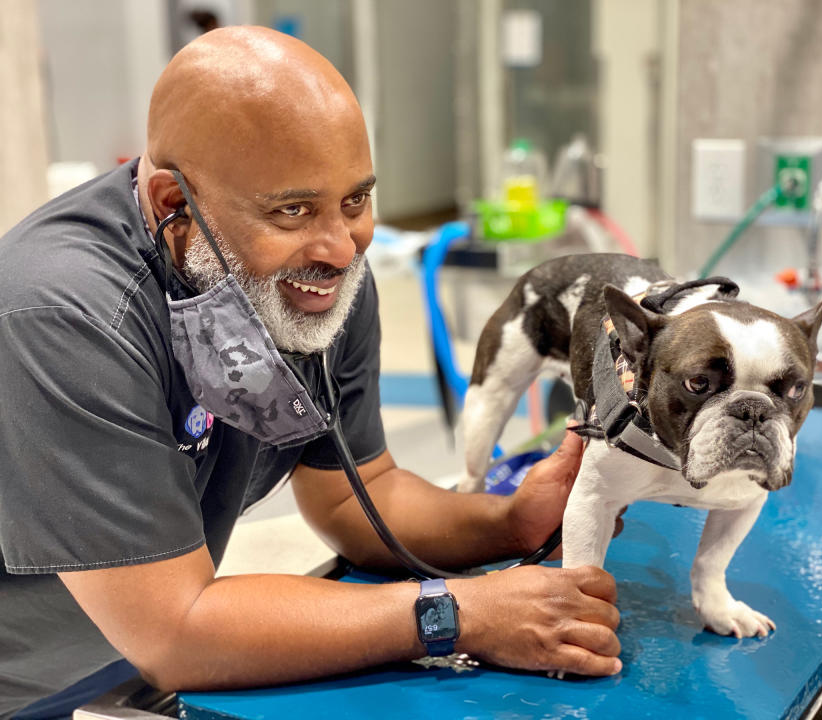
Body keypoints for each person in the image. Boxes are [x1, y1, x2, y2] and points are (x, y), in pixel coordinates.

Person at [0, 26, 620, 719]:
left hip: (118, 665)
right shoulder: (64, 316)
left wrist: (508, 521)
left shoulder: (314, 283)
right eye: (292, 209)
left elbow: (358, 496)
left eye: (355, 201)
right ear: (176, 204)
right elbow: (174, 629)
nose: (338, 246)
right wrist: (455, 612)